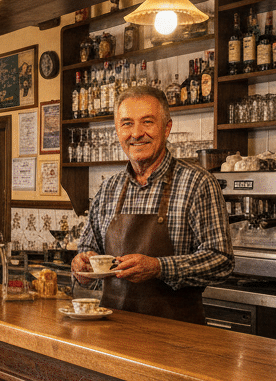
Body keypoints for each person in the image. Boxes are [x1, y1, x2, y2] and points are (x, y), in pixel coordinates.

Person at [70, 85, 233, 323]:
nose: (136, 133)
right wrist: (81, 268)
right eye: (126, 123)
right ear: (117, 130)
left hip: (176, 337)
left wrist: (159, 267)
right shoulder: (108, 190)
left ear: (167, 128)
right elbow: (86, 255)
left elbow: (221, 261)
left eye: (147, 122)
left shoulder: (198, 183)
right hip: (112, 331)